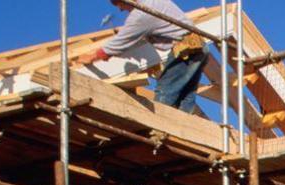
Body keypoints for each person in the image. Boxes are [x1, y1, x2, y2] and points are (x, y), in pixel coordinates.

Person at [77, 0, 207, 112]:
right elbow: (152, 29)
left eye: (120, 5)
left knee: (165, 91)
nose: (121, 10)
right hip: (199, 46)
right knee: (186, 94)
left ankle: (160, 128)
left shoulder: (141, 14)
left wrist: (95, 55)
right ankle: (183, 126)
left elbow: (121, 41)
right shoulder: (153, 3)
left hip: (185, 50)